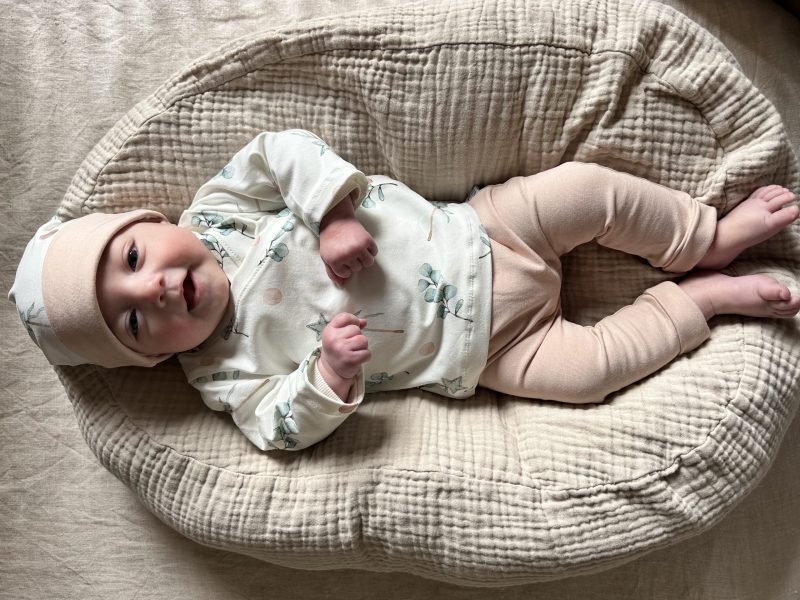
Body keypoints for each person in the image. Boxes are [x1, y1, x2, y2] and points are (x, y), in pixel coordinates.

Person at [10, 130, 800, 451]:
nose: (152, 290)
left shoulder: (219, 212)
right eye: (133, 322)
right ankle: (697, 303)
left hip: (485, 232)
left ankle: (702, 238)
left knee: (584, 189)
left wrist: (330, 214)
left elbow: (280, 151)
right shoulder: (217, 373)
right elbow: (275, 428)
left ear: (151, 223)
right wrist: (327, 377)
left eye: (134, 257)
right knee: (589, 373)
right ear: (152, 361)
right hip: (485, 354)